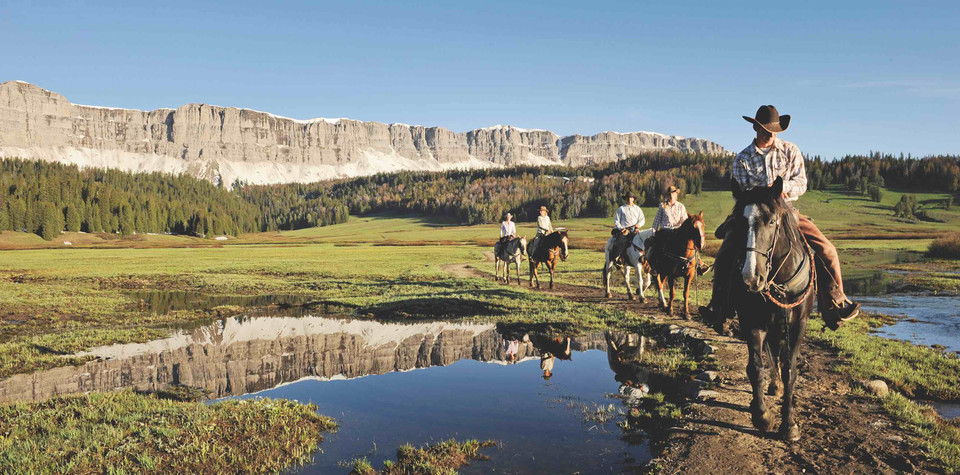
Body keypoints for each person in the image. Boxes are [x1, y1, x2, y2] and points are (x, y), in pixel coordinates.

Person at [699, 105, 860, 331]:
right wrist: (763, 193)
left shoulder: (790, 150)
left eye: (775, 130)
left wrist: (783, 190)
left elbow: (802, 182)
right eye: (766, 129)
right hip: (752, 213)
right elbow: (741, 191)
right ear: (755, 127)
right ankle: (720, 307)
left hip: (785, 210)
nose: (771, 134)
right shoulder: (742, 159)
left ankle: (835, 304)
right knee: (726, 252)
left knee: (828, 250)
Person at [610, 193, 645, 262]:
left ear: (633, 199)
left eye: (631, 197)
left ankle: (644, 258)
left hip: (635, 230)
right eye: (628, 198)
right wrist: (621, 228)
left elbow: (642, 219)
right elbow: (616, 221)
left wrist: (638, 225)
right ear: (626, 199)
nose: (629, 199)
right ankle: (617, 258)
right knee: (621, 241)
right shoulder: (621, 209)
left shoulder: (638, 209)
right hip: (625, 230)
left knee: (643, 241)